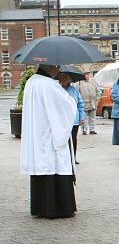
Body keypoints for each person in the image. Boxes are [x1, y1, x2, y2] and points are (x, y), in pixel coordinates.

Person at [20, 64, 77, 219]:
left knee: (41, 166)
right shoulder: (50, 85)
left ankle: (41, 207)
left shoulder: (31, 81)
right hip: (50, 135)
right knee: (55, 164)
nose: (59, 71)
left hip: (37, 134)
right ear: (49, 68)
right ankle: (57, 207)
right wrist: (65, 91)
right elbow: (68, 106)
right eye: (57, 67)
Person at [58, 72, 85, 165]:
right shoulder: (57, 90)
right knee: (63, 140)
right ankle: (63, 158)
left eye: (67, 78)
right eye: (64, 78)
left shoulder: (74, 90)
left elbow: (80, 104)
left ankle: (73, 157)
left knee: (73, 139)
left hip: (74, 119)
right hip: (62, 120)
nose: (66, 80)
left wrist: (82, 117)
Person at [78, 70, 99, 135]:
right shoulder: (79, 83)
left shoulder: (93, 82)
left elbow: (98, 92)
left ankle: (92, 129)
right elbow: (78, 93)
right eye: (86, 74)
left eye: (88, 74)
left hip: (92, 103)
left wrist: (97, 99)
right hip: (83, 103)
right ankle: (84, 129)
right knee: (84, 117)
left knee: (92, 117)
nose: (87, 75)